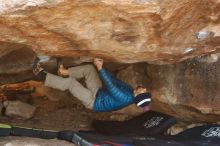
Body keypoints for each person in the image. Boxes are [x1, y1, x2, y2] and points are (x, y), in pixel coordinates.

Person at [33, 58, 151, 112]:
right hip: (99, 92)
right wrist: (101, 68)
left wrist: (100, 67)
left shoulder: (124, 97)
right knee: (89, 69)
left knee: (71, 83)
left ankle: (43, 76)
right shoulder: (130, 90)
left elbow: (111, 86)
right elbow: (113, 80)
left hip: (93, 102)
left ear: (137, 96)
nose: (144, 88)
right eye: (145, 90)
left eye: (144, 92)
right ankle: (63, 72)